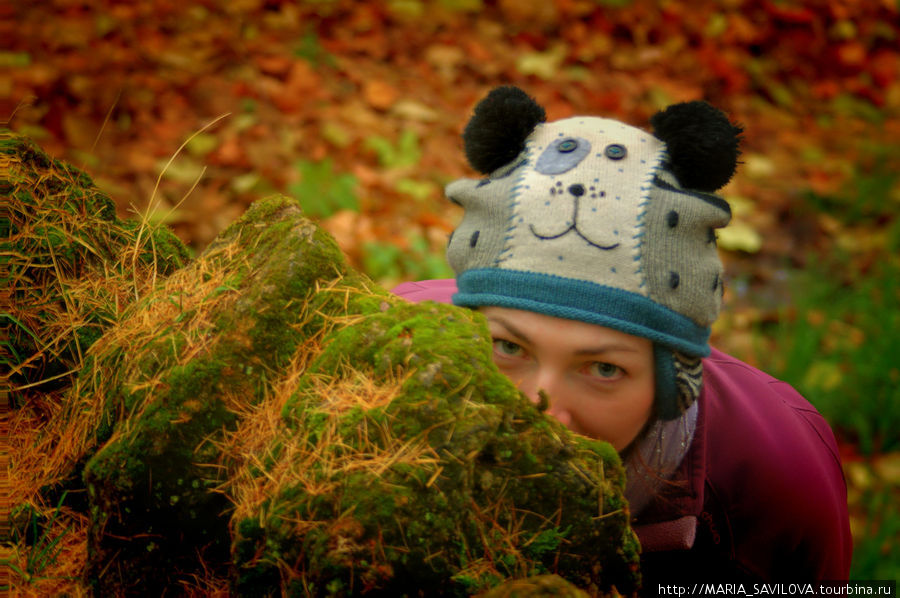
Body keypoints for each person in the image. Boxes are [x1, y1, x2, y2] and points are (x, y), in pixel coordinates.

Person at [392, 87, 852, 587]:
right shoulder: (391, 349)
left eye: (603, 368)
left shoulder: (779, 482)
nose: (542, 412)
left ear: (672, 382)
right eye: (509, 348)